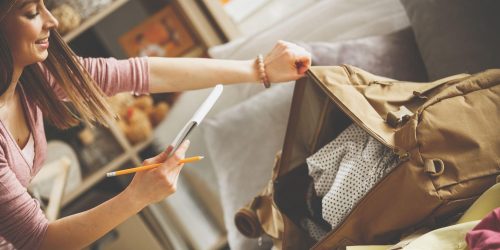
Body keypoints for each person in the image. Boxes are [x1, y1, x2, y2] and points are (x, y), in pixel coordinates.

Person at [0, 1, 311, 249]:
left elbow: (141, 74)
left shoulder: (32, 80)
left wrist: (258, 69)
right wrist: (137, 196)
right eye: (31, 12)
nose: (51, 21)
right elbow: (39, 241)